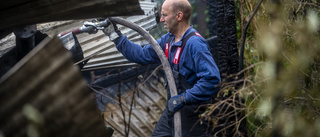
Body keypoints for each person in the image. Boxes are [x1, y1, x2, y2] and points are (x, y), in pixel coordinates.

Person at [104, 0, 221, 136]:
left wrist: (183, 99)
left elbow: (212, 80)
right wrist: (114, 36)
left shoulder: (195, 44)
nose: (161, 19)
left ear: (179, 16)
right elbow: (141, 55)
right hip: (172, 112)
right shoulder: (168, 40)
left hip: (192, 118)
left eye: (165, 15)